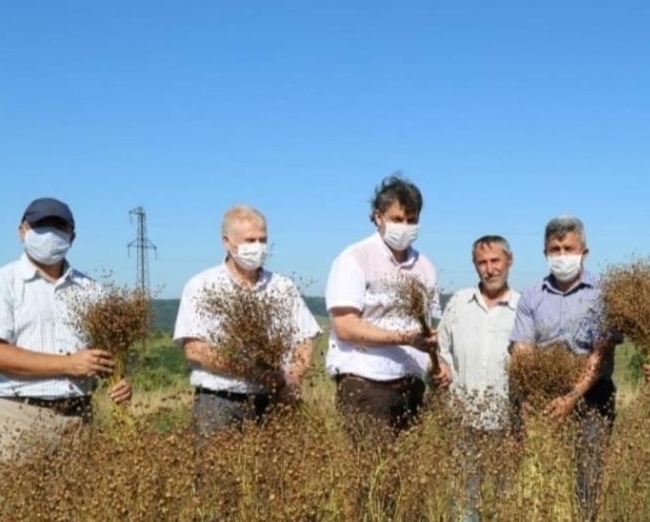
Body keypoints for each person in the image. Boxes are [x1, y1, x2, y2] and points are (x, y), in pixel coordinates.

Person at [0, 198, 133, 464]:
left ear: (72, 237)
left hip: (78, 420)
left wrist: (120, 380)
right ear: (22, 230)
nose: (50, 235)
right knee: (12, 505)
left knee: (79, 505)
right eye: (41, 226)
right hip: (16, 419)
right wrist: (68, 364)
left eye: (59, 227)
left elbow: (107, 354)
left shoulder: (92, 291)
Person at [173, 204, 321, 438]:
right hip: (220, 402)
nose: (258, 247)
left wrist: (292, 379)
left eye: (263, 240)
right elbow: (195, 349)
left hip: (274, 400)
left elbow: (305, 337)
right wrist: (253, 373)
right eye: (249, 240)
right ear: (226, 242)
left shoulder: (282, 287)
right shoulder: (202, 286)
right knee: (219, 474)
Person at [509, 215, 617, 515]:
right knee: (541, 480)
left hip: (592, 396)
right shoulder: (532, 295)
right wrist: (529, 396)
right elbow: (522, 351)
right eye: (555, 250)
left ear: (584, 252)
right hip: (542, 397)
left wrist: (572, 397)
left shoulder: (603, 294)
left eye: (568, 248)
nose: (562, 256)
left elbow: (602, 353)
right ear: (545, 253)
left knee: (587, 482)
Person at [325, 175, 450, 436]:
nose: (404, 227)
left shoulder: (425, 267)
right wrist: (405, 339)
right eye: (397, 220)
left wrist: (438, 364)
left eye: (411, 220)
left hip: (411, 386)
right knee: (370, 472)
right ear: (378, 217)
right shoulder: (355, 258)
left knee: (409, 473)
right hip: (366, 384)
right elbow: (346, 327)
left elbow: (428, 329)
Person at [436, 235, 521, 522]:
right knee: (462, 501)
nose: (489, 269)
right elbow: (441, 351)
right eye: (482, 263)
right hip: (462, 419)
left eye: (495, 261)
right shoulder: (458, 303)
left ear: (509, 261)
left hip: (506, 422)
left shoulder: (522, 308)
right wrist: (440, 368)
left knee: (504, 500)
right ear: (475, 266)